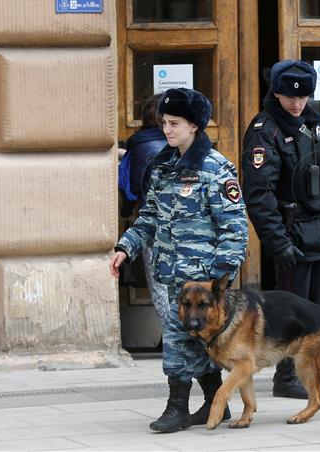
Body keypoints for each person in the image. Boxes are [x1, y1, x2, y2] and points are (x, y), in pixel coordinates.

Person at [109, 88, 248, 433]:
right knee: (191, 339)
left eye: (175, 124)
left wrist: (217, 280)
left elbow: (235, 229)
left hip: (203, 281)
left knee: (177, 339)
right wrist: (125, 247)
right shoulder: (163, 167)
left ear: (195, 127)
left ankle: (176, 408)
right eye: (165, 123)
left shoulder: (216, 169)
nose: (167, 130)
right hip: (171, 275)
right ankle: (216, 402)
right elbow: (149, 217)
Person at [241, 59, 320, 399]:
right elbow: (259, 193)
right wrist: (276, 242)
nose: (297, 103)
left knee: (318, 309)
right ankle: (286, 377)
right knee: (290, 311)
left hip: (319, 231)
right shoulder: (264, 130)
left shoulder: (314, 125)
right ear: (277, 93)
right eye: (289, 97)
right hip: (289, 232)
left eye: (303, 97)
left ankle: (309, 370)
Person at [118, 93, 169, 324]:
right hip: (185, 225)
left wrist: (126, 213)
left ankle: (173, 339)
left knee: (159, 287)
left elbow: (132, 188)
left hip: (152, 224)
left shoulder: (139, 145)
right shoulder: (185, 143)